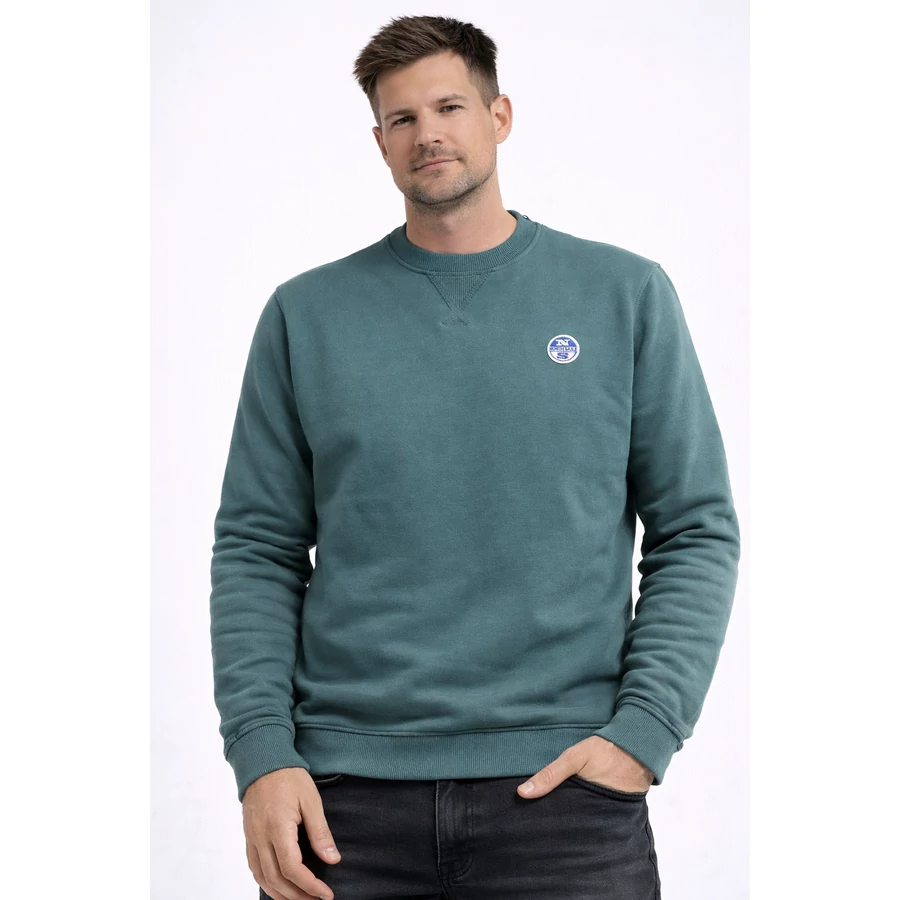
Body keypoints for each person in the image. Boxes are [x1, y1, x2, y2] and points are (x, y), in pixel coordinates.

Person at [209, 14, 741, 900]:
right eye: (402, 118)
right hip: (342, 802)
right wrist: (261, 756)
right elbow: (257, 549)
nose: (429, 133)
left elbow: (695, 527)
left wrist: (646, 730)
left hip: (566, 799)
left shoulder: (624, 294)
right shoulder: (307, 315)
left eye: (450, 107)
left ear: (499, 116)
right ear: (379, 142)